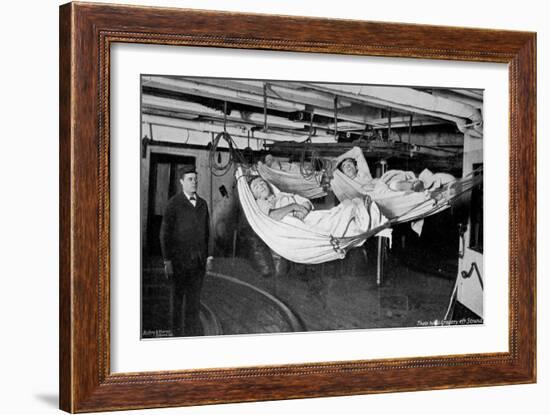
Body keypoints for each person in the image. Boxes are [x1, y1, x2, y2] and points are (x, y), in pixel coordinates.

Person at [160, 165, 210, 337]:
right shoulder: (173, 204)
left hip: (198, 263)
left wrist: (208, 256)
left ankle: (190, 334)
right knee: (177, 300)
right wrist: (167, 261)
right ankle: (176, 335)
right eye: (190, 179)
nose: (194, 182)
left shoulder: (203, 204)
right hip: (179, 262)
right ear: (181, 182)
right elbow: (164, 234)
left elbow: (207, 232)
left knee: (194, 302)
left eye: (195, 179)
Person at [249, 176, 386, 237]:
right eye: (256, 186)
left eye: (262, 183)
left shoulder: (281, 195)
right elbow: (273, 216)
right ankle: (367, 217)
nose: (261, 186)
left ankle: (365, 214)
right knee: (345, 212)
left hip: (308, 216)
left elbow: (306, 202)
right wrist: (293, 207)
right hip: (299, 226)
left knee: (347, 205)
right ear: (254, 195)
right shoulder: (260, 203)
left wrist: (303, 209)